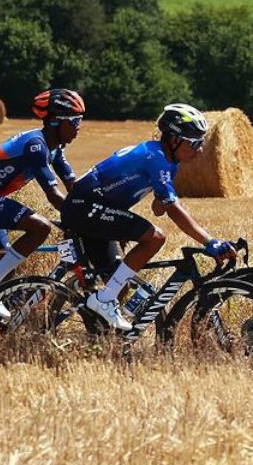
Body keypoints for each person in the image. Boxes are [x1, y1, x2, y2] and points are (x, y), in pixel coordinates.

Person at [61, 103, 236, 330]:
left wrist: (162, 196)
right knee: (154, 237)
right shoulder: (155, 157)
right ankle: (102, 301)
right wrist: (209, 240)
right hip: (82, 207)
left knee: (118, 284)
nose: (200, 150)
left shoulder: (168, 162)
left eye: (201, 142)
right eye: (194, 143)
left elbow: (158, 207)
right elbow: (170, 209)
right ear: (174, 140)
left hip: (93, 209)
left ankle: (101, 329)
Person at [0, 88, 84, 313]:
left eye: (80, 120)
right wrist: (81, 221)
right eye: (73, 121)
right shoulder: (36, 145)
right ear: (54, 122)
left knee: (6, 274)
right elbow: (53, 195)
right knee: (39, 227)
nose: (78, 127)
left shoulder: (55, 149)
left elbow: (75, 188)